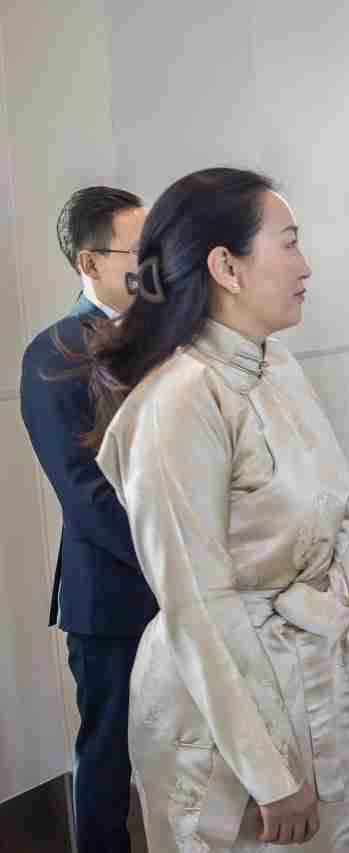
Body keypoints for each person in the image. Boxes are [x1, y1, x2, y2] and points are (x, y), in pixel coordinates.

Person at [85, 168, 349, 850]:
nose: (306, 265)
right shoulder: (178, 400)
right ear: (226, 266)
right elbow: (196, 604)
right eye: (288, 243)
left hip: (317, 675)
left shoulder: (276, 365)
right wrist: (270, 772)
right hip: (229, 707)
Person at [19, 186, 153, 853]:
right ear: (89, 262)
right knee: (108, 758)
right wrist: (171, 558)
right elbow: (85, 494)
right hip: (111, 596)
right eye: (137, 251)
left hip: (190, 584)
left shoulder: (171, 338)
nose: (151, 265)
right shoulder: (53, 353)